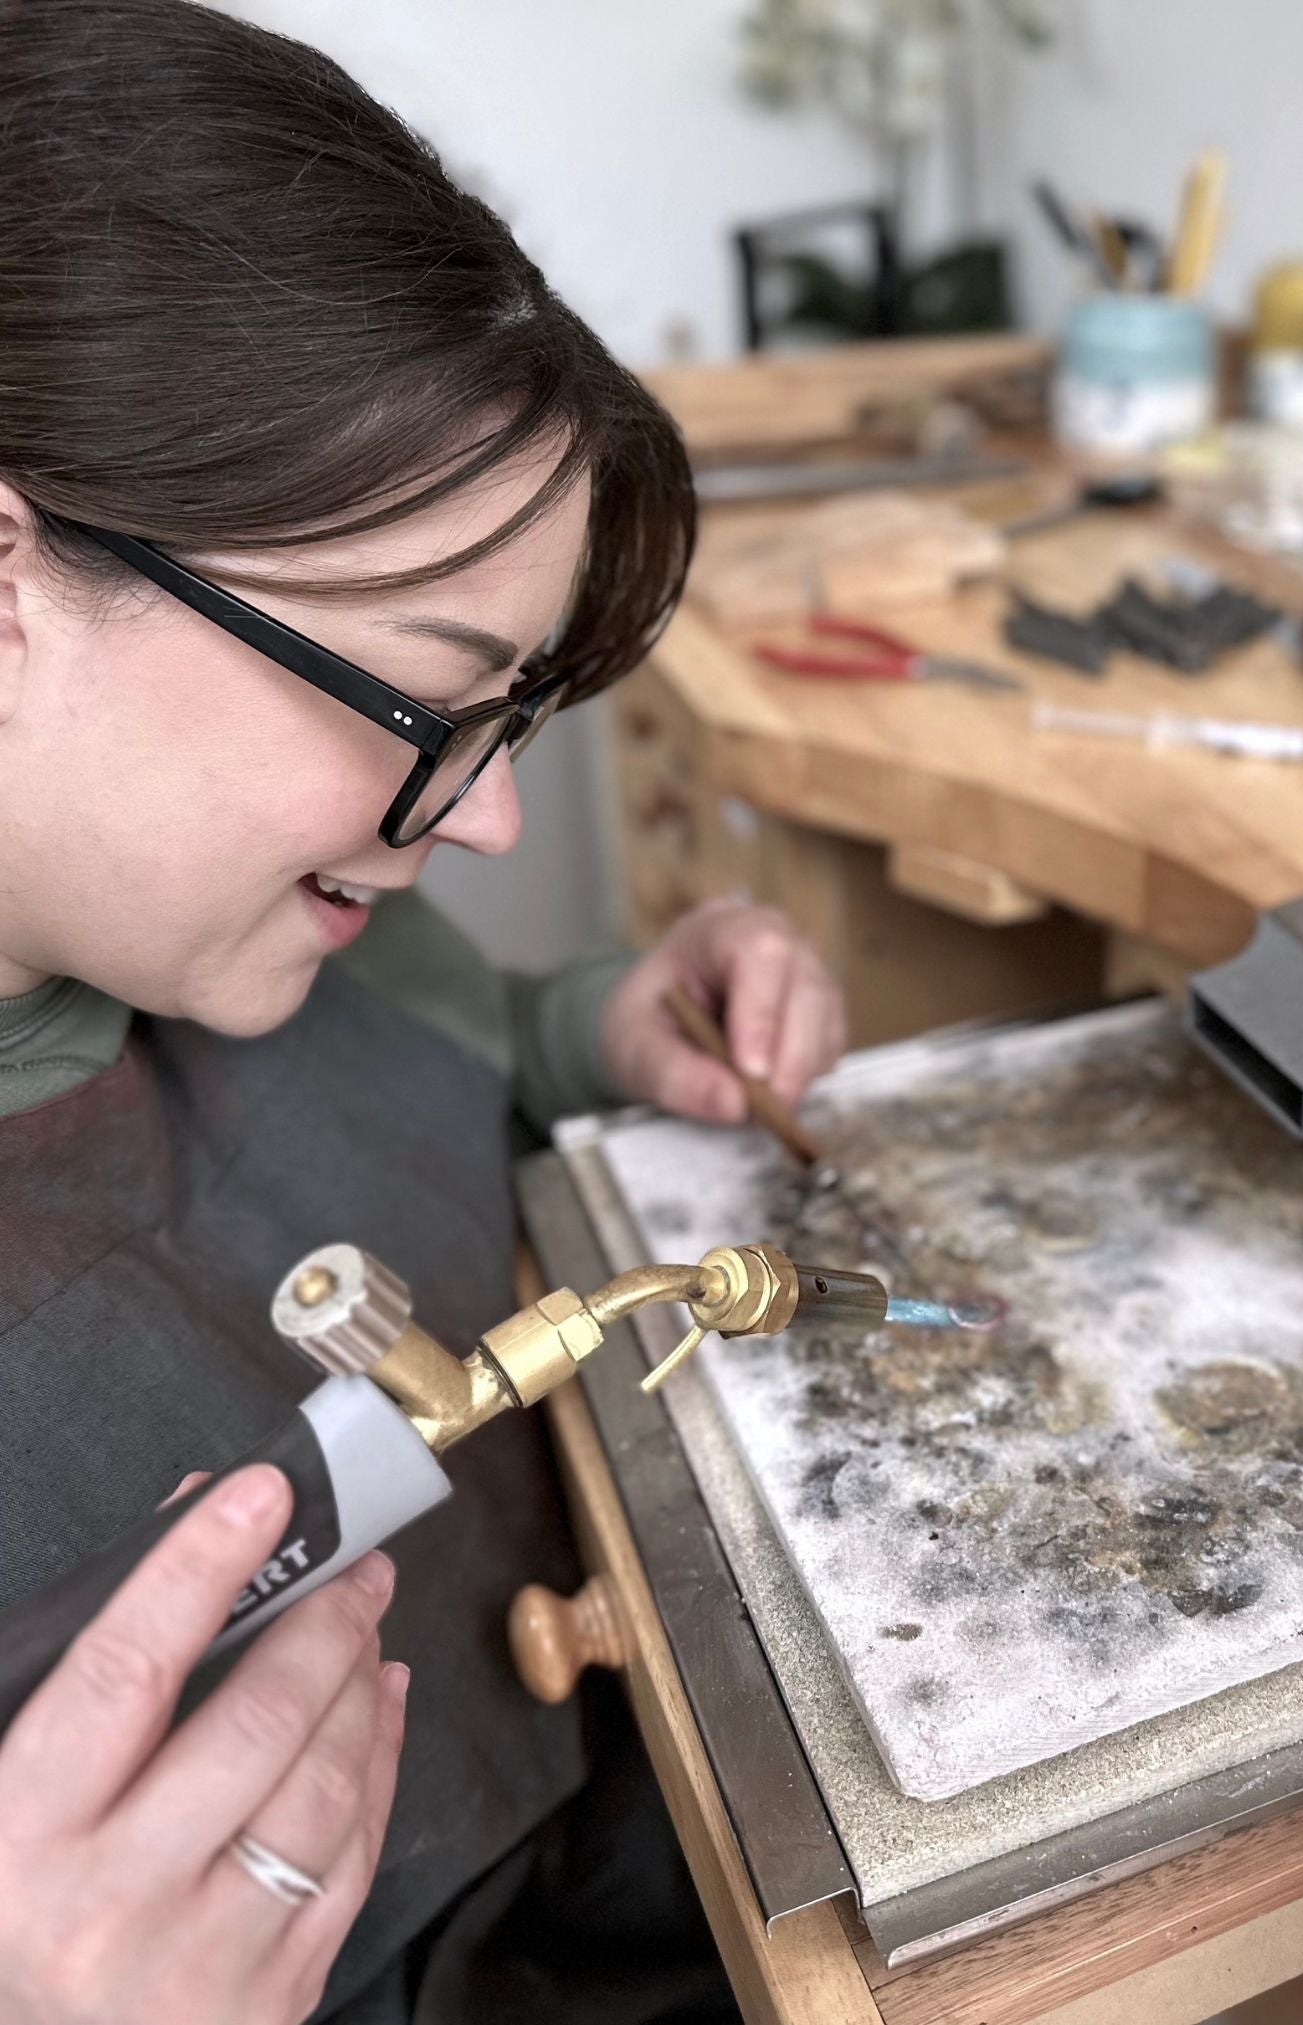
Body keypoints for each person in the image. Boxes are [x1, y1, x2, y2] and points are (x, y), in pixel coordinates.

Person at [0, 1, 846, 2018]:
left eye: (512, 714)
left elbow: (438, 1045)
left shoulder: (216, 924)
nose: (485, 819)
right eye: (420, 698)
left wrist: (598, 1028)